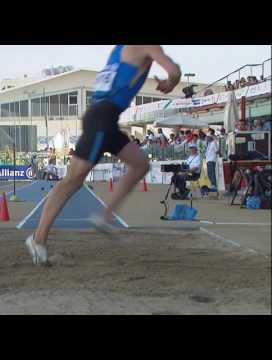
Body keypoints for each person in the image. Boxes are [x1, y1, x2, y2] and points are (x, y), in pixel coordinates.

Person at [25, 45, 181, 265]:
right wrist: (170, 83)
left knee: (140, 164)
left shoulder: (119, 48)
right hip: (102, 117)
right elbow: (174, 71)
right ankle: (38, 238)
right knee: (72, 180)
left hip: (105, 117)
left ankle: (104, 216)